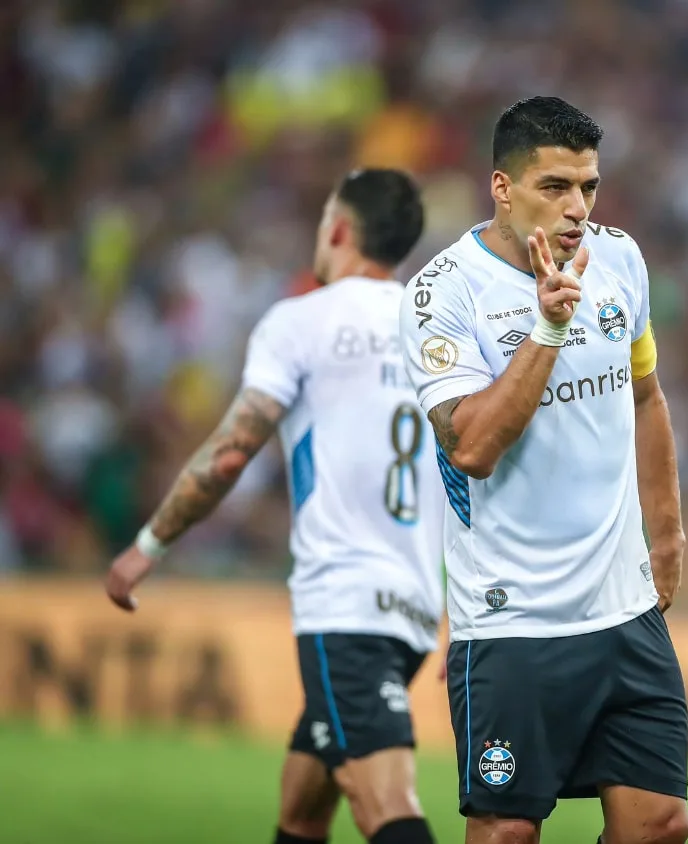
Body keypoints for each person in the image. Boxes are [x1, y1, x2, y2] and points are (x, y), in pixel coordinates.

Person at [105, 169, 445, 844]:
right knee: (303, 809)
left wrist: (149, 546)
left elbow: (231, 453)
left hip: (345, 603)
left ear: (340, 230)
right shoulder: (434, 328)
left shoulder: (302, 321)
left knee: (387, 806)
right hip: (413, 605)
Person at [398, 95, 688, 844]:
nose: (577, 209)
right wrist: (548, 327)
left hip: (622, 609)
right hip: (513, 618)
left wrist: (666, 535)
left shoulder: (619, 257)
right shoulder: (442, 292)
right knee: (506, 834)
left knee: (660, 825)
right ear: (502, 187)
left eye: (589, 187)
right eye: (555, 187)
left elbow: (647, 397)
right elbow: (471, 447)